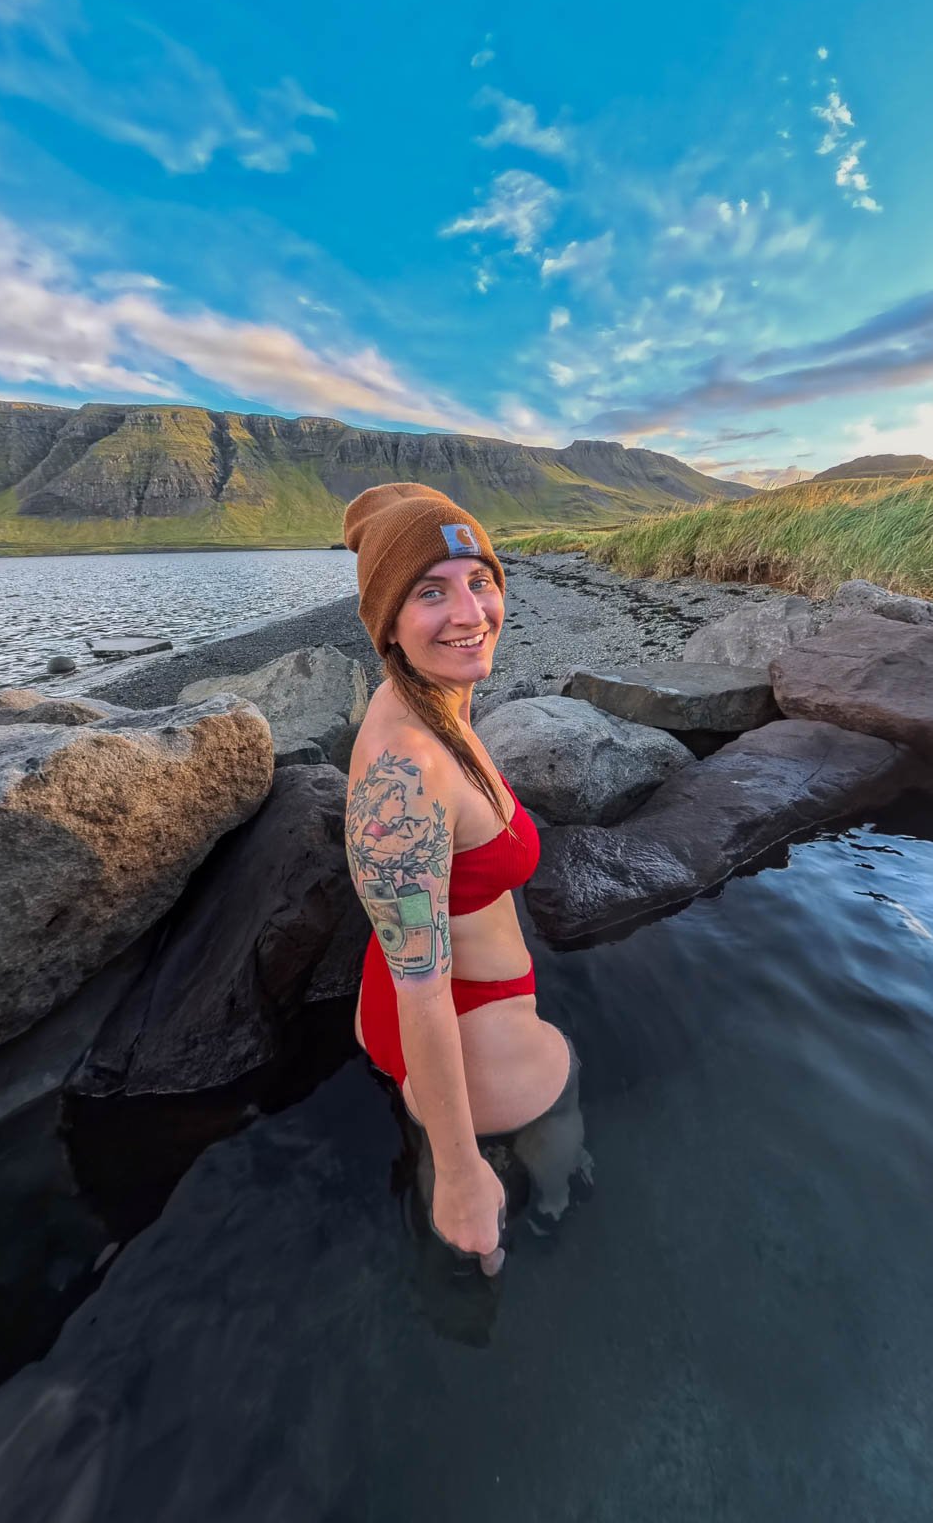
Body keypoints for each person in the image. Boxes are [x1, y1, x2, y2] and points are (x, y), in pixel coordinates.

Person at [342, 482, 584, 1274]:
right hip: (459, 1022)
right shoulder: (406, 771)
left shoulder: (429, 694)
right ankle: (499, 1188)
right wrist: (458, 1176)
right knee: (561, 1166)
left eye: (480, 581)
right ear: (389, 624)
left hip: (429, 995)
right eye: (430, 593)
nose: (470, 612)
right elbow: (423, 991)